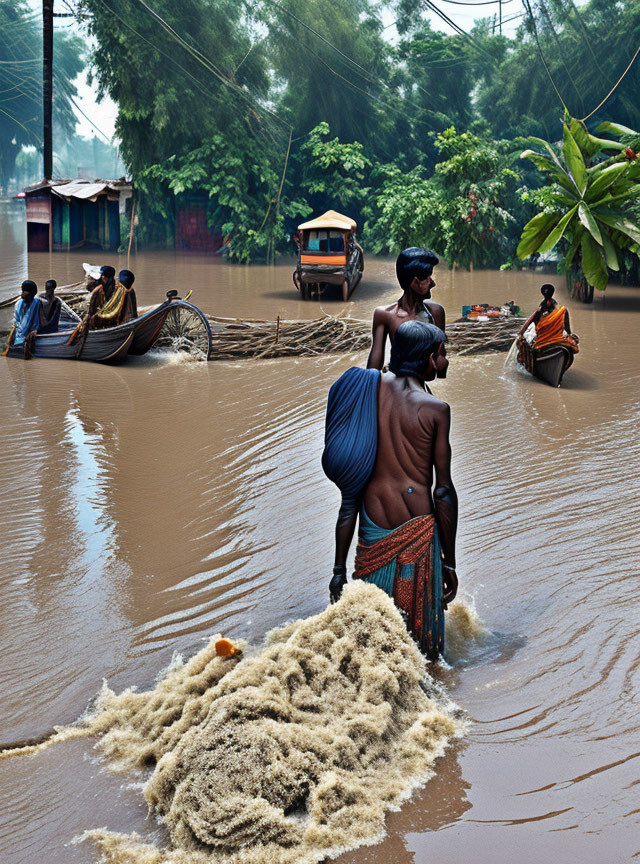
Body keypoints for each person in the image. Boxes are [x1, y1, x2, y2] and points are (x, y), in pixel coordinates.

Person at [323, 320, 458, 660]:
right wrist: (450, 563)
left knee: (366, 642)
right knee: (422, 653)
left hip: (371, 529)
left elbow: (348, 491)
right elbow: (443, 491)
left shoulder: (368, 388)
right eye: (442, 356)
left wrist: (338, 569)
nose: (444, 363)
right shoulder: (435, 410)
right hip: (417, 532)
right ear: (430, 359)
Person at [367, 247, 447, 377]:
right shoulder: (384, 315)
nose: (433, 283)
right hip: (396, 385)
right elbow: (372, 371)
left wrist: (441, 362)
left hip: (417, 386)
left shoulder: (436, 313)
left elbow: (439, 369)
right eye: (428, 277)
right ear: (415, 282)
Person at [518, 284, 579, 353]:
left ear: (543, 294)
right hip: (558, 336)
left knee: (529, 339)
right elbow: (567, 329)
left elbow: (534, 322)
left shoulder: (541, 309)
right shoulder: (562, 310)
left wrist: (522, 333)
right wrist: (569, 336)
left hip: (543, 338)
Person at [88, 265, 137, 329]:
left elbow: (124, 310)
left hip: (114, 322)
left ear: (110, 278)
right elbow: (91, 310)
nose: (102, 278)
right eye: (102, 276)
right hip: (99, 322)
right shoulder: (98, 291)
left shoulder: (120, 290)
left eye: (103, 276)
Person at [11, 281, 42, 346]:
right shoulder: (18, 304)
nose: (22, 293)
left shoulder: (37, 303)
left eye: (25, 291)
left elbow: (39, 320)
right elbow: (16, 321)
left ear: (32, 294)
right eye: (22, 291)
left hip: (32, 334)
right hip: (20, 336)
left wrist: (36, 330)